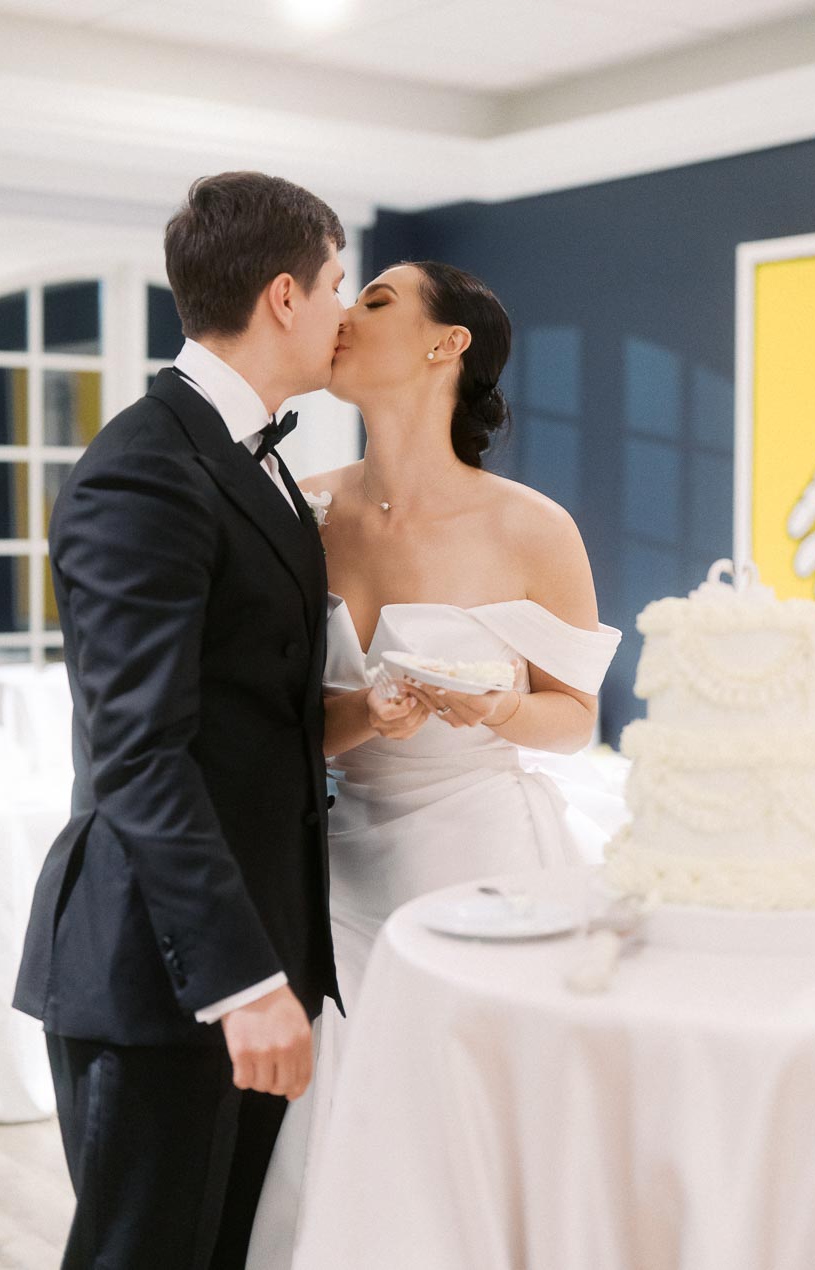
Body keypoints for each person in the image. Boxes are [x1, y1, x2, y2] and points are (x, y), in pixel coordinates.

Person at [245, 260, 622, 1268]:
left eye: (372, 301)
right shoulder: (297, 510)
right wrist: (365, 714)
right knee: (343, 1119)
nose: (341, 317)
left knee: (472, 1118)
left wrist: (500, 705)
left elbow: (573, 718)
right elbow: (280, 728)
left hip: (480, 863)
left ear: (444, 345)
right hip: (333, 876)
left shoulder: (533, 526)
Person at [13, 171, 347, 1270]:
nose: (344, 311)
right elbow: (140, 754)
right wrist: (244, 983)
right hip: (168, 972)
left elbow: (250, 701)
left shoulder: (252, 456)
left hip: (246, 946)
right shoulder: (147, 469)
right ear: (287, 296)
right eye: (340, 285)